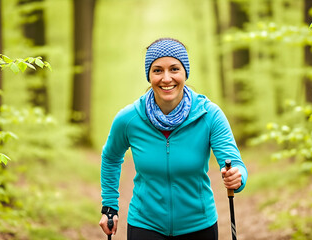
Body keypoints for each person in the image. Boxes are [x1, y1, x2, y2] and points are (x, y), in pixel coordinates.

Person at [99, 37, 247, 240]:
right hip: (145, 224)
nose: (166, 78)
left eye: (174, 69)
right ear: (149, 76)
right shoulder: (129, 119)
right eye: (158, 70)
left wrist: (238, 177)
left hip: (199, 225)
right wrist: (109, 206)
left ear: (185, 72)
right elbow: (110, 157)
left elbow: (235, 163)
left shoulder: (209, 115)